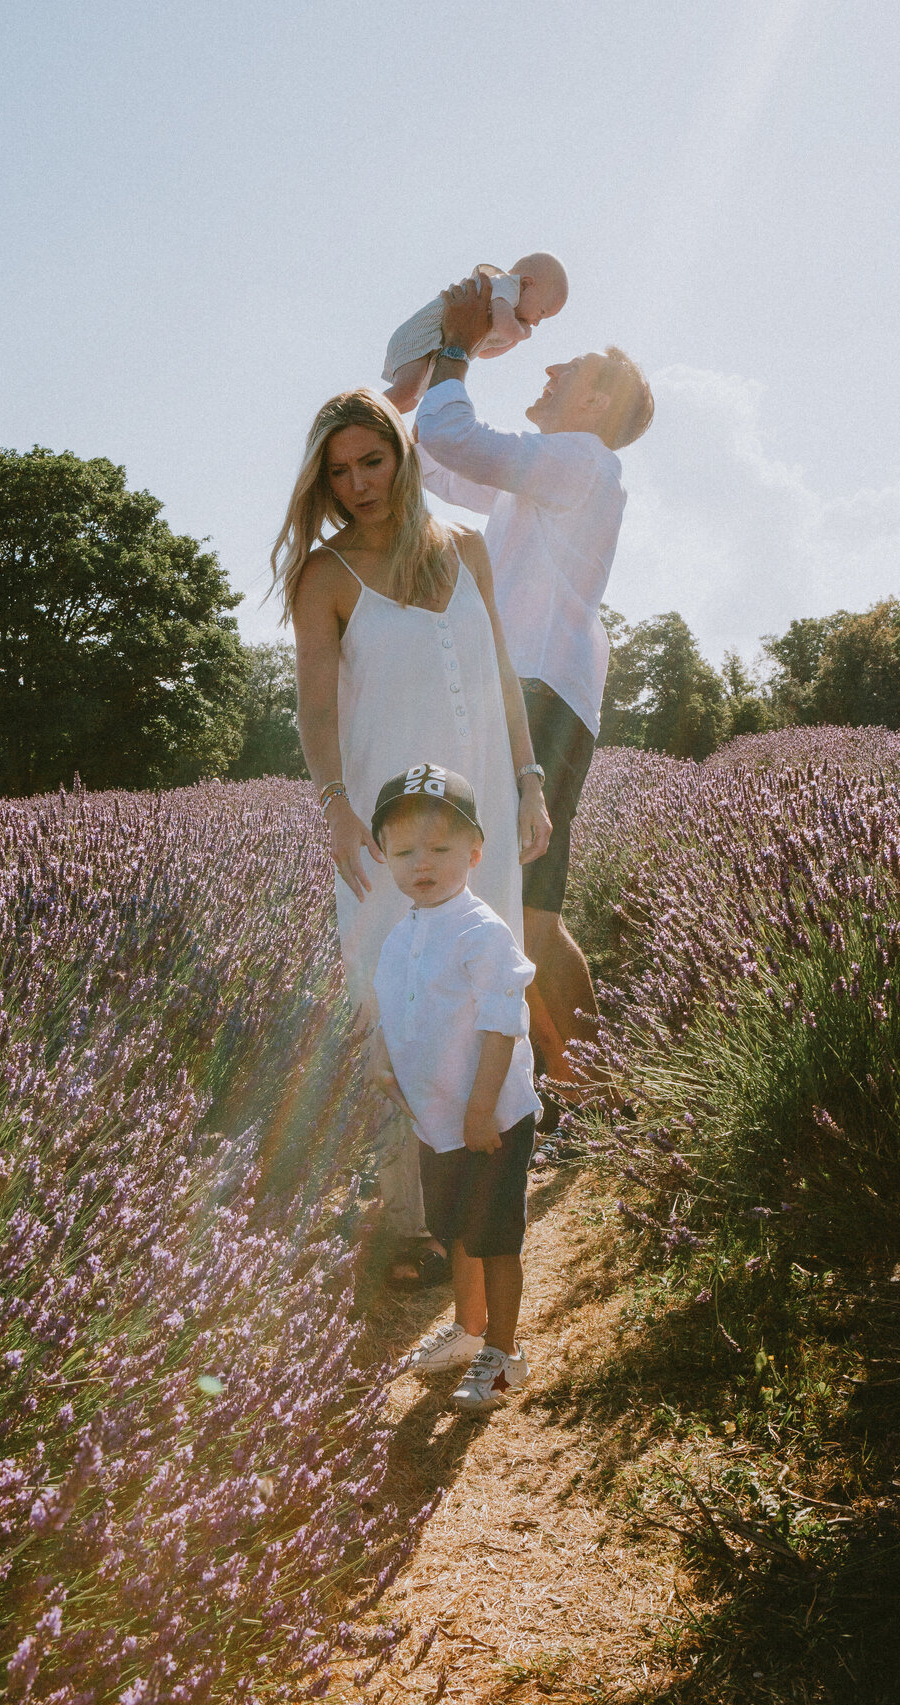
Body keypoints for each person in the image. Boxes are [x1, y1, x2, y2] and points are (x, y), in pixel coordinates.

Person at [271, 388, 551, 1281]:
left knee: (486, 991)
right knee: (395, 1005)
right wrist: (331, 803)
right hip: (383, 829)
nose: (357, 484)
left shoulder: (466, 547)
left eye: (372, 461)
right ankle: (409, 1217)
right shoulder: (326, 575)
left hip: (484, 821)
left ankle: (488, 1207)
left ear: (401, 454)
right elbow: (315, 705)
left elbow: (503, 677)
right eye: (339, 470)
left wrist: (530, 780)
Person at [415, 275, 654, 1101]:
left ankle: (601, 1096)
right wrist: (450, 351)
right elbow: (437, 460)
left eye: (571, 368)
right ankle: (583, 1092)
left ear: (599, 402)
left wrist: (459, 343)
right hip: (525, 690)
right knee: (518, 908)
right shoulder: (554, 473)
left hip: (539, 693)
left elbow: (453, 438)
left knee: (533, 915)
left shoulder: (582, 462)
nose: (548, 371)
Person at [369, 766, 539, 1413]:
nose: (423, 864)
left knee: (496, 1238)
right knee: (457, 1231)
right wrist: (382, 1058)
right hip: (436, 1119)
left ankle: (504, 1354)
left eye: (440, 849)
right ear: (385, 856)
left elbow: (501, 1024)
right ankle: (469, 1332)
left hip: (488, 1117)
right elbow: (394, 1007)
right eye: (406, 850)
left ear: (473, 852)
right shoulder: (402, 934)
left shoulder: (482, 931)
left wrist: (478, 1109)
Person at [382, 253, 568, 414]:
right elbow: (505, 325)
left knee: (410, 402)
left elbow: (484, 352)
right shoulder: (506, 285)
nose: (536, 322)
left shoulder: (500, 308)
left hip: (435, 350)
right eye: (542, 312)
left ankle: (372, 422)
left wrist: (511, 342)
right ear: (527, 284)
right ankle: (357, 409)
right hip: (422, 335)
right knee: (406, 390)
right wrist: (520, 333)